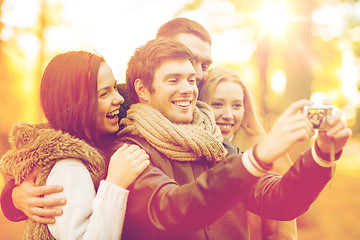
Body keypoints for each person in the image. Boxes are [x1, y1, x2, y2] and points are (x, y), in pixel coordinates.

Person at [107, 37, 351, 240]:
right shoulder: (129, 150)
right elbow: (174, 209)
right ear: (142, 89)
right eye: (174, 80)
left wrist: (321, 153)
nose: (188, 89)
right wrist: (257, 157)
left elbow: (281, 201)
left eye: (192, 79)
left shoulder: (215, 144)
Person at [0, 16, 213, 225]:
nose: (200, 73)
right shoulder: (125, 100)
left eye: (205, 64)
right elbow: (55, 135)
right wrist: (13, 196)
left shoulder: (215, 98)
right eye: (190, 58)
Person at [0, 51, 150, 239]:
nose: (119, 98)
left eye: (114, 87)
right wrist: (114, 184)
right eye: (104, 93)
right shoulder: (69, 166)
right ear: (78, 104)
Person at [199, 67, 297, 239]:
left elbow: (282, 224)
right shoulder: (192, 147)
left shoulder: (265, 148)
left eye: (236, 105)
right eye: (217, 104)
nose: (228, 115)